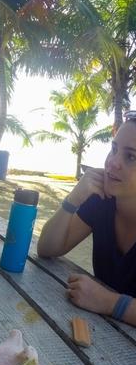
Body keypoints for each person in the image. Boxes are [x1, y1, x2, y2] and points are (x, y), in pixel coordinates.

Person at [37, 115, 136, 326]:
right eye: (114, 149)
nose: (113, 162)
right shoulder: (103, 202)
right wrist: (73, 199)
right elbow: (47, 247)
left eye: (131, 157)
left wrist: (109, 302)